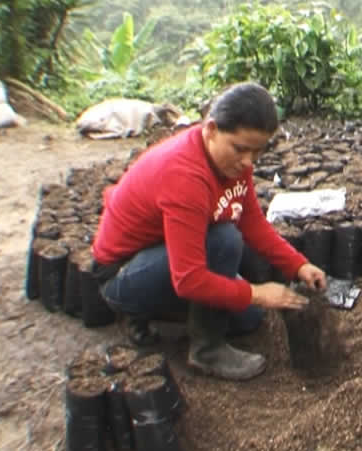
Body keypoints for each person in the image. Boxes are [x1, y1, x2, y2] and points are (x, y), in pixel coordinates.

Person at [90, 81, 325, 381]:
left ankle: (164, 317)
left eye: (257, 152)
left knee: (248, 319)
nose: (248, 162)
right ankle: (205, 350)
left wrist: (299, 265)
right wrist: (257, 292)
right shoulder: (185, 176)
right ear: (211, 129)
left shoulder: (234, 166)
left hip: (168, 258)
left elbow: (253, 224)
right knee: (224, 240)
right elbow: (189, 280)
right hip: (122, 274)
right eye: (240, 149)